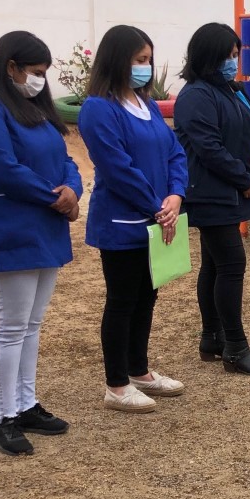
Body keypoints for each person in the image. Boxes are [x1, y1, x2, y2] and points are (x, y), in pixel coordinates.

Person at [0, 31, 83, 455]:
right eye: (35, 71)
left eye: (44, 73)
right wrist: (55, 198)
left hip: (45, 226)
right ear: (11, 67)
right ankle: (2, 417)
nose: (40, 80)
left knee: (31, 324)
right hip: (12, 227)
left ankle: (25, 403)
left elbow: (66, 159)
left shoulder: (36, 108)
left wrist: (73, 190)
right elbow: (2, 167)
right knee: (9, 326)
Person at [79, 25, 188, 413]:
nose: (146, 67)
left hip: (158, 219)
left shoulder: (147, 105)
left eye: (149, 60)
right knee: (122, 300)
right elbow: (117, 168)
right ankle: (116, 384)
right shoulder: (99, 109)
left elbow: (175, 153)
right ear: (117, 60)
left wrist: (175, 195)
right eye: (140, 60)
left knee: (147, 296)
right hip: (122, 223)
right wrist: (157, 206)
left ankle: (138, 370)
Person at [172, 22, 250, 376]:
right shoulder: (196, 95)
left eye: (235, 54)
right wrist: (244, 179)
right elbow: (209, 148)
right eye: (226, 56)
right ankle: (235, 346)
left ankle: (212, 337)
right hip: (209, 193)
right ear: (207, 57)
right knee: (231, 264)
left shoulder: (235, 90)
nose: (233, 62)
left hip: (230, 189)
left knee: (214, 265)